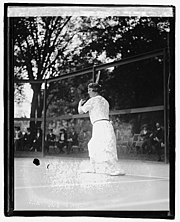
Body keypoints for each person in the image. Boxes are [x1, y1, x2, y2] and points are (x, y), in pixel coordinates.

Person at [78, 83, 125, 176]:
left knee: (106, 147)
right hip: (103, 125)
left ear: (93, 91)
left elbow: (80, 111)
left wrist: (80, 104)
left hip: (100, 125)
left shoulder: (92, 100)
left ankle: (114, 169)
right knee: (92, 145)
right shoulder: (105, 101)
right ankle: (93, 167)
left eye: (89, 90)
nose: (88, 92)